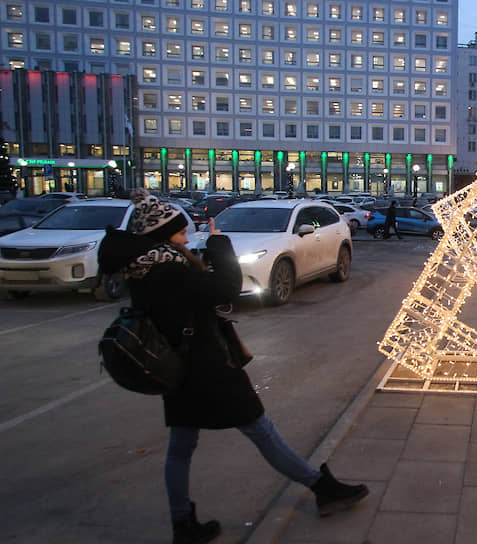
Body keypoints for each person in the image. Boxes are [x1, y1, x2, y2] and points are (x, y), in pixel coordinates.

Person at [98, 189, 368, 544]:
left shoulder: (146, 268)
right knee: (260, 429)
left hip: (182, 370)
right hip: (208, 370)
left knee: (182, 447)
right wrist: (219, 244)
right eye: (180, 232)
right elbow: (226, 288)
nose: (186, 235)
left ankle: (183, 524)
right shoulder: (167, 271)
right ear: (164, 236)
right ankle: (322, 488)